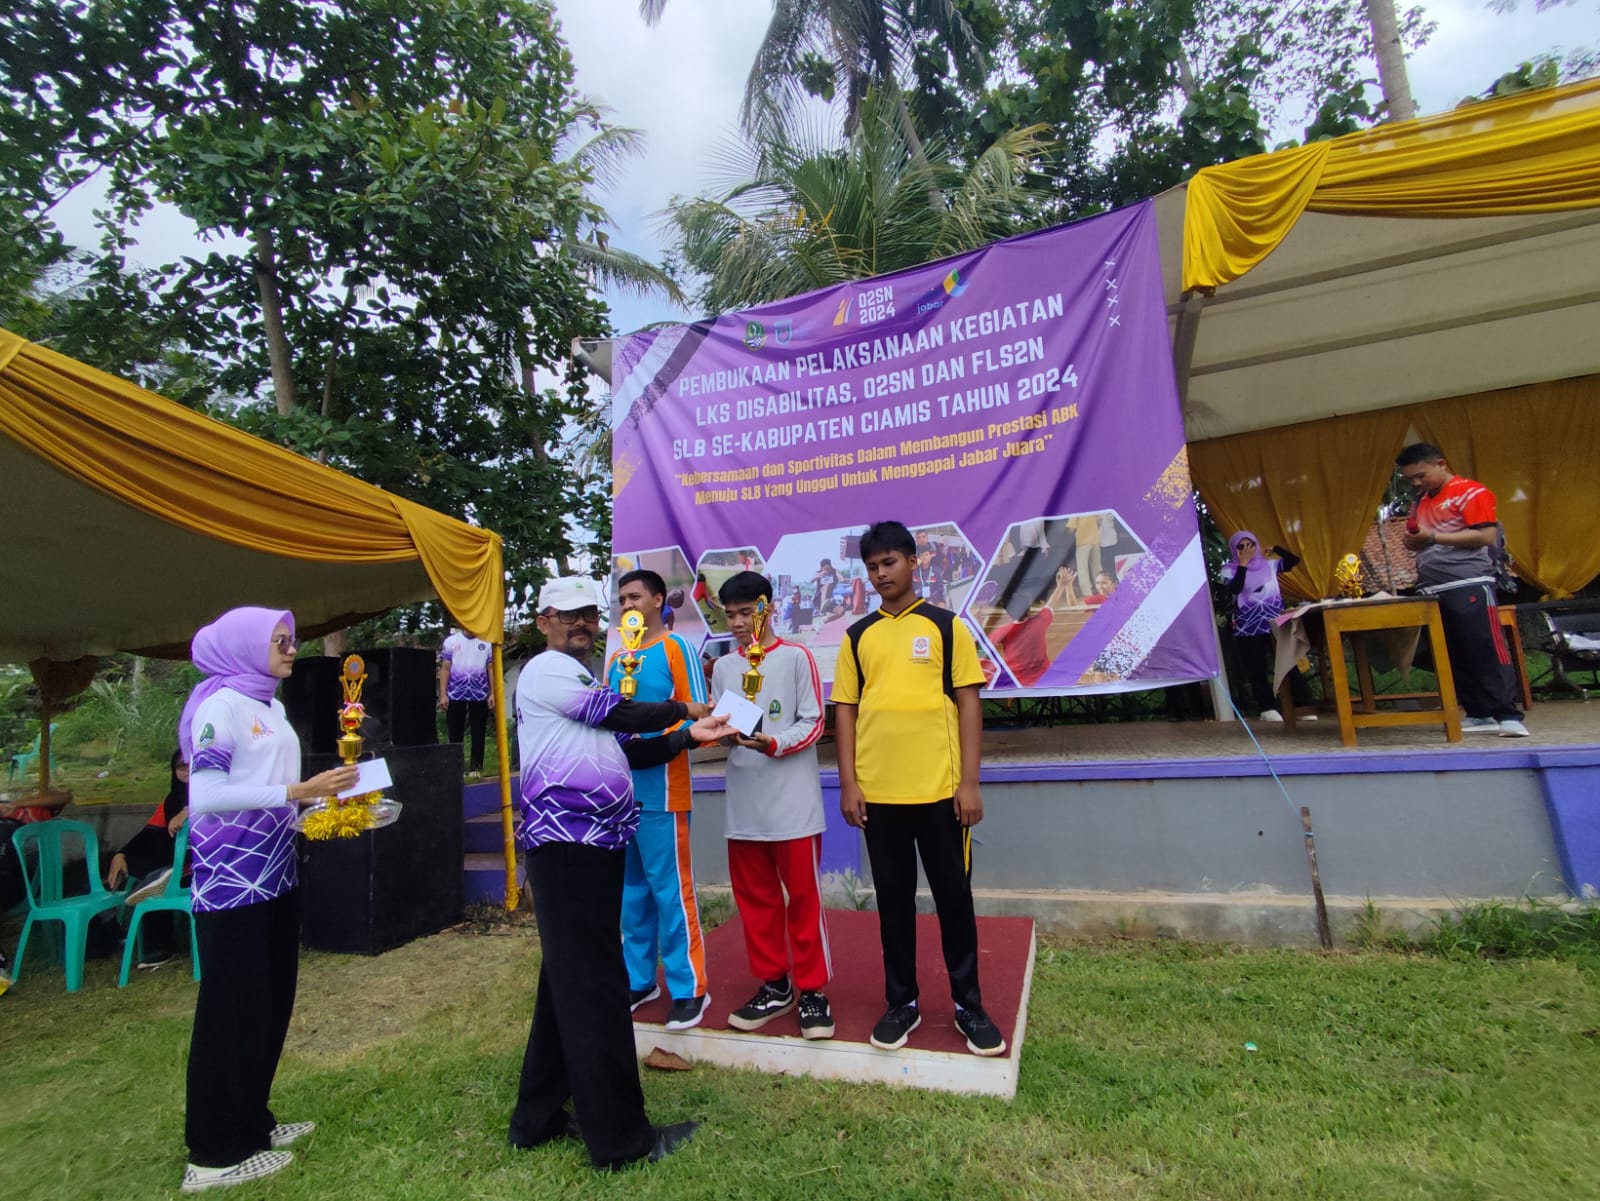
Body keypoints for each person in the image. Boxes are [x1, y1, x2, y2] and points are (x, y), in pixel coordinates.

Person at [507, 576, 729, 1170]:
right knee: (597, 988)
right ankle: (621, 1141)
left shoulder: (579, 680)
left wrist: (687, 737)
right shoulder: (548, 670)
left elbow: (623, 748)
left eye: (589, 614)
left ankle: (536, 1118)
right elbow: (619, 712)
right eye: (569, 615)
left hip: (586, 848)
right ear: (543, 621)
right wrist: (685, 707)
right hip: (570, 846)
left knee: (566, 983)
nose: (582, 623)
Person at [178, 607, 360, 1193]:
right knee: (230, 1010)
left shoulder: (270, 707)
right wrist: (300, 789)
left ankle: (252, 1121)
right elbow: (207, 796)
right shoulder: (221, 707)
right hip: (233, 880)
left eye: (292, 640)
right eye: (279, 641)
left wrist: (325, 804)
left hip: (277, 871)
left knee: (268, 1002)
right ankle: (211, 1155)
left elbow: (276, 793)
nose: (290, 650)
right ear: (243, 646)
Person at [831, 521, 1007, 1058]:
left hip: (940, 794)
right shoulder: (857, 635)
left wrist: (969, 783)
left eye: (889, 563)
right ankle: (901, 1002)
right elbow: (846, 710)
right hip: (879, 796)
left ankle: (969, 1005)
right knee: (893, 903)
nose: (880, 574)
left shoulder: (947, 627)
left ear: (914, 562)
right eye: (872, 567)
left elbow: (969, 702)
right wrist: (849, 783)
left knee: (954, 900)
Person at [709, 572, 833, 1039]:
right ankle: (774, 985)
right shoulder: (724, 668)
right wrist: (722, 733)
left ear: (767, 609)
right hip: (744, 807)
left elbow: (814, 722)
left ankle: (814, 991)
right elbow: (724, 725)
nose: (738, 623)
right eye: (731, 615)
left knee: (803, 900)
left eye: (746, 613)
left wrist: (774, 742)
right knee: (756, 903)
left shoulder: (797, 657)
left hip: (793, 806)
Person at [606, 569, 713, 1029]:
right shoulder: (617, 657)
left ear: (657, 600)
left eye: (635, 596)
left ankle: (690, 988)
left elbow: (698, 713)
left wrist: (662, 743)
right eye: (622, 599)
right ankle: (639, 979)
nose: (628, 605)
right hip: (620, 791)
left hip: (664, 788)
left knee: (670, 891)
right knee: (631, 893)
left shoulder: (676, 647)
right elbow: (607, 716)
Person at [1397, 443, 1528, 737]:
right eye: (1410, 479)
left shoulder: (1470, 492)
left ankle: (1508, 714)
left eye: (1421, 475)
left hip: (1468, 582)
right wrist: (1413, 541)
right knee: (1453, 652)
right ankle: (1478, 712)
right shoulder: (1421, 501)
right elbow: (1417, 538)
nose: (1416, 483)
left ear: (1441, 464)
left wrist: (1433, 537)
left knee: (1483, 648)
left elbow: (1485, 535)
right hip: (1432, 587)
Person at [104, 749, 191, 968]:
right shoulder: (171, 800)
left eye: (192, 765)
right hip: (173, 862)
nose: (186, 771)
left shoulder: (214, 795)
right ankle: (154, 947)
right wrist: (122, 853)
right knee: (143, 868)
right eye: (181, 766)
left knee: (155, 877)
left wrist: (190, 810)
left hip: (205, 865)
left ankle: (158, 947)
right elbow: (148, 834)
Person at [1219, 532, 1311, 722]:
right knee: (1257, 668)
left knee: (1288, 664)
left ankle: (1301, 706)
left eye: (1250, 545)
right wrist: (1243, 564)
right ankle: (1267, 707)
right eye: (1241, 547)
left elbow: (1294, 561)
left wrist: (1276, 549)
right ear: (1234, 549)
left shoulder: (1270, 565)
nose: (1247, 550)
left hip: (1276, 622)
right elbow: (1235, 588)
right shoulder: (1229, 570)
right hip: (1249, 626)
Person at [438, 627, 494, 777]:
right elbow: (445, 668)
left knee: (478, 732)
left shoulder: (487, 642)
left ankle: (476, 768)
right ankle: (456, 769)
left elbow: (491, 668)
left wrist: (493, 693)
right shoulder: (451, 641)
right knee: (455, 733)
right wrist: (443, 695)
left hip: (479, 693)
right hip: (456, 693)